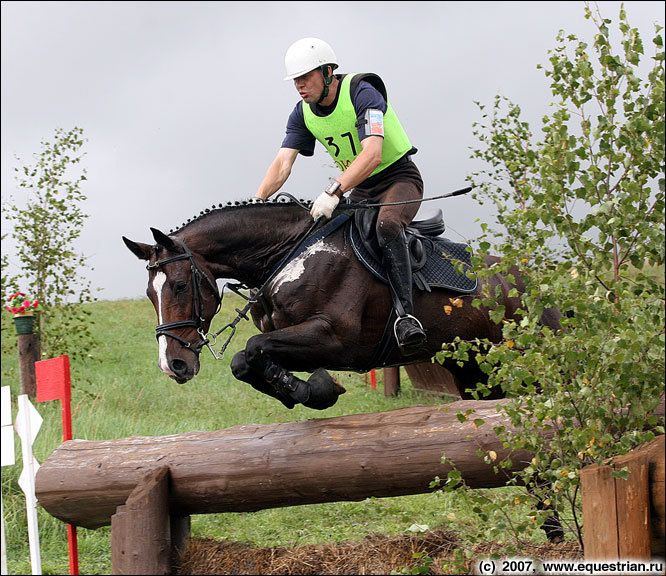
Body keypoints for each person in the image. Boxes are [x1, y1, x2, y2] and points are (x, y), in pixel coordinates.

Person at [254, 37, 426, 355]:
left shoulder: (363, 92)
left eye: (306, 78)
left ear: (328, 72)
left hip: (398, 179)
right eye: (295, 80)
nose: (300, 86)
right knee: (325, 237)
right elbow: (282, 163)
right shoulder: (302, 114)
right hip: (360, 190)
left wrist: (334, 189)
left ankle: (406, 318)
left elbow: (373, 154)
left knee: (387, 225)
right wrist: (258, 202)